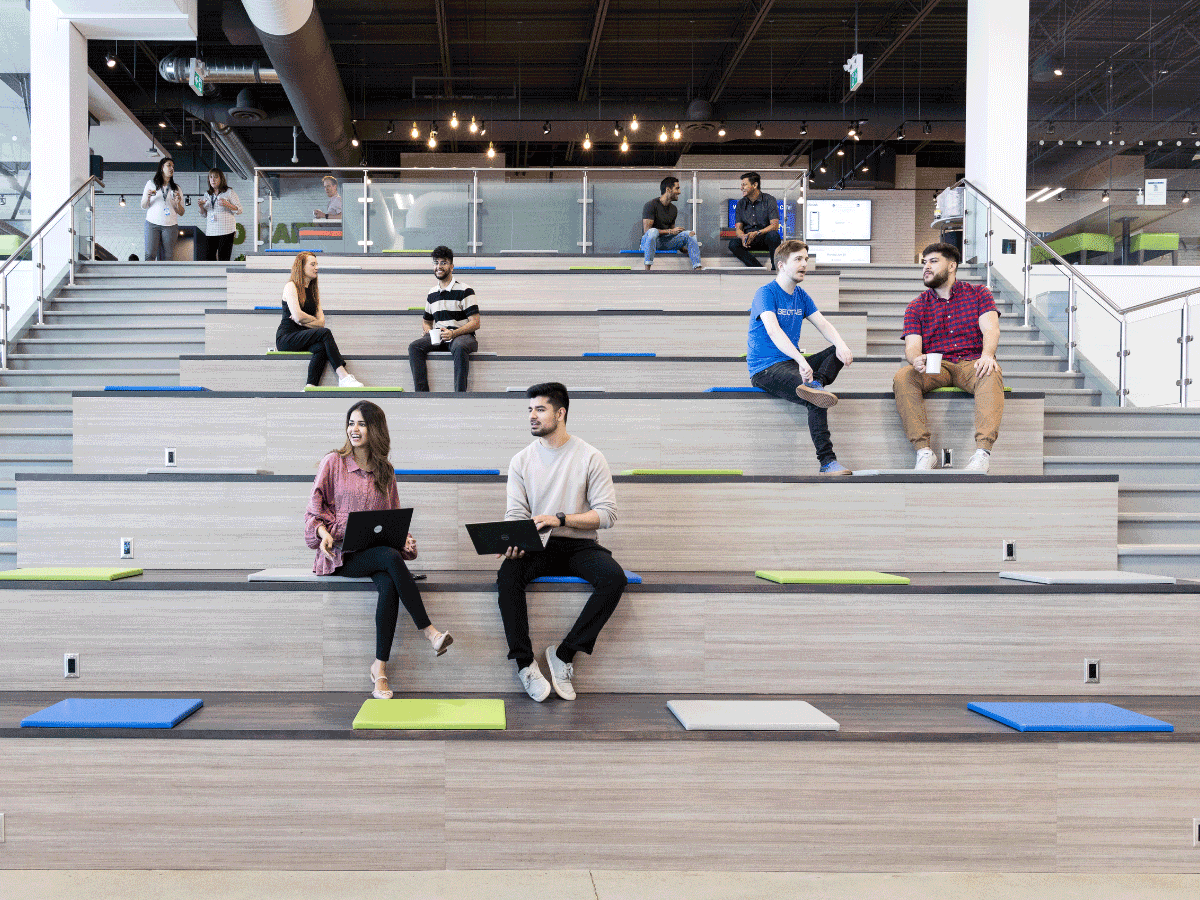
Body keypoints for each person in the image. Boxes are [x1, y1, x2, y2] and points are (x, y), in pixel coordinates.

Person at [306, 401, 453, 699]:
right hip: (341, 555)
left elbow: (392, 519)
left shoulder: (386, 470)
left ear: (376, 430)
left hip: (376, 552)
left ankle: (379, 669)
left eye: (361, 424)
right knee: (389, 557)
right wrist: (323, 533)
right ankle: (429, 632)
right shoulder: (333, 462)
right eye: (351, 423)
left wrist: (404, 540)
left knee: (388, 582)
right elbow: (313, 512)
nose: (354, 429)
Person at [497, 382, 626, 703]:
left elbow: (607, 514)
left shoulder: (590, 456)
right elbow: (516, 514)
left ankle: (564, 654)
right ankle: (525, 664)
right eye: (530, 409)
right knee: (507, 575)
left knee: (614, 578)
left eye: (540, 409)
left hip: (579, 544)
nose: (532, 415)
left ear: (560, 413)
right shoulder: (521, 460)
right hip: (536, 545)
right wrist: (513, 538)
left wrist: (562, 519)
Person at [748, 239, 855, 476]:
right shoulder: (765, 293)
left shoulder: (801, 295)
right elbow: (773, 331)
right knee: (816, 399)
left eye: (806, 259)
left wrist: (842, 345)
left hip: (789, 364)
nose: (804, 264)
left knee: (836, 351)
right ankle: (827, 462)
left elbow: (823, 324)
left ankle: (816, 383)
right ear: (781, 265)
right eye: (798, 259)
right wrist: (800, 360)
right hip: (765, 369)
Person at [894, 242, 1004, 473]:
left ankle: (982, 453)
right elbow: (912, 346)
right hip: (937, 365)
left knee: (990, 371)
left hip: (971, 362)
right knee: (904, 377)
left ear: (952, 266)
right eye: (924, 262)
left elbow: (991, 329)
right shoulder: (916, 306)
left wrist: (987, 355)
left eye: (933, 261)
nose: (926, 267)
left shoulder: (979, 293)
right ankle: (924, 451)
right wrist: (916, 359)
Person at [275, 251, 365, 388]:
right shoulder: (291, 286)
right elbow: (299, 316)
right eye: (313, 264)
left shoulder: (313, 292)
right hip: (287, 338)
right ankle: (343, 377)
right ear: (301, 267)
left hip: (305, 336)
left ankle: (311, 386)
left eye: (317, 264)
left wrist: (303, 320)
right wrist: (307, 320)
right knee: (325, 333)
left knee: (321, 347)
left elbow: (321, 322)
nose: (316, 267)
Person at [408, 246, 480, 392]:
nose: (439, 266)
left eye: (443, 263)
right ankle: (422, 395)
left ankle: (459, 395)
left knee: (459, 346)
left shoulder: (465, 290)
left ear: (451, 266)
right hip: (439, 337)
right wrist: (428, 330)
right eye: (436, 263)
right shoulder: (432, 293)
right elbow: (426, 321)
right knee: (414, 347)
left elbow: (475, 322)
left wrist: (453, 333)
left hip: (462, 336)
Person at [640, 176, 702, 271]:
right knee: (653, 231)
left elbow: (672, 234)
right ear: (668, 189)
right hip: (648, 243)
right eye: (677, 188)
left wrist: (685, 248)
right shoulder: (651, 205)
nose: (679, 192)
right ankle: (647, 269)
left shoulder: (673, 209)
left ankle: (698, 269)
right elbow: (647, 231)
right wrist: (670, 231)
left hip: (663, 243)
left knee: (690, 234)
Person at [728, 172, 781, 269]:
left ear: (755, 185)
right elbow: (738, 229)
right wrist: (743, 236)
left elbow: (775, 226)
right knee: (733, 244)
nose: (741, 188)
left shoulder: (769, 200)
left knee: (774, 235)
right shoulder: (740, 204)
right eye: (741, 185)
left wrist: (757, 233)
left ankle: (775, 270)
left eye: (744, 185)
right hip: (748, 240)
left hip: (765, 238)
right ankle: (758, 269)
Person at [140, 157, 184, 261]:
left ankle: (168, 273)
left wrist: (178, 203)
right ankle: (149, 273)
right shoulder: (151, 184)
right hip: (152, 224)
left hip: (170, 225)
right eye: (169, 165)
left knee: (169, 256)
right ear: (162, 167)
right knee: (150, 255)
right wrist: (148, 197)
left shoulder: (176, 188)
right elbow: (143, 206)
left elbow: (181, 212)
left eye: (173, 167)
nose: (172, 168)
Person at [197, 168, 241, 261]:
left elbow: (239, 210)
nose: (213, 180)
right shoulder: (207, 194)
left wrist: (227, 204)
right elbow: (204, 215)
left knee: (224, 258)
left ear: (221, 179)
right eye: (211, 177)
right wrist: (201, 206)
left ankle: (223, 271)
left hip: (226, 230)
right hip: (211, 230)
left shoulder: (229, 192)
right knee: (209, 258)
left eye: (216, 177)